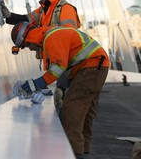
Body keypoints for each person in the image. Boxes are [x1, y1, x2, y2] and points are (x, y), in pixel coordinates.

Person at [10, 22, 109, 159]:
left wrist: (33, 85)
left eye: (27, 45)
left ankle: (75, 153)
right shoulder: (52, 34)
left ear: (29, 38)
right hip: (95, 67)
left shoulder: (52, 38)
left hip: (90, 68)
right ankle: (85, 152)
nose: (31, 49)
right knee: (85, 114)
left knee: (72, 110)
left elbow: (57, 69)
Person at [0, 0, 81, 108]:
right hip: (57, 61)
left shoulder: (65, 9)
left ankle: (69, 126)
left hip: (68, 63)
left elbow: (69, 35)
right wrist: (9, 16)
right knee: (62, 99)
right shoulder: (44, 10)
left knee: (66, 100)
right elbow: (26, 20)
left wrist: (44, 33)